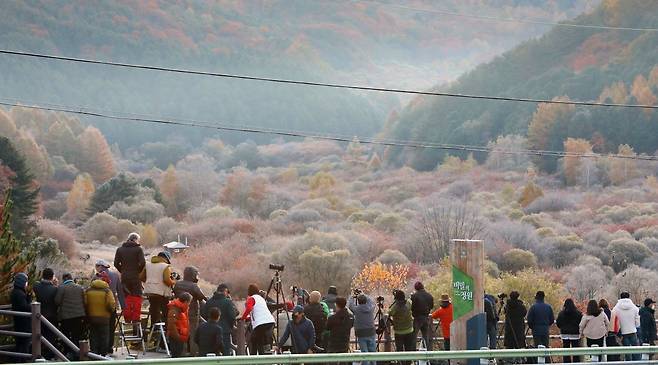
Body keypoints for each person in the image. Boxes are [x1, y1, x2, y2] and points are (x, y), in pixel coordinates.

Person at [173, 266, 207, 355]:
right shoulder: (194, 286)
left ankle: (182, 353)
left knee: (182, 333)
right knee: (193, 335)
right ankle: (193, 353)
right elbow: (201, 297)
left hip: (179, 312)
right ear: (193, 275)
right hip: (192, 313)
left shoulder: (177, 284)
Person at [113, 232, 146, 324]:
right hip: (135, 277)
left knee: (126, 296)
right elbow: (143, 263)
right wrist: (138, 271)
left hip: (125, 277)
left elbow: (116, 263)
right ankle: (135, 318)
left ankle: (127, 318)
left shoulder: (120, 249)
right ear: (135, 240)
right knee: (137, 296)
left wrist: (122, 271)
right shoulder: (138, 249)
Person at [201, 283, 240, 356]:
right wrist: (231, 326)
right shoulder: (228, 302)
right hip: (225, 330)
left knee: (212, 353)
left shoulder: (209, 302)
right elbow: (232, 316)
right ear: (225, 291)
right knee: (226, 352)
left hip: (210, 331)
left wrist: (210, 323)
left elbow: (204, 314)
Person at [94, 259, 123, 354]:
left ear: (100, 266)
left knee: (100, 328)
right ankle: (109, 347)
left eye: (96, 266)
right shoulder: (115, 275)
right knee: (111, 327)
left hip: (99, 305)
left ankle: (100, 348)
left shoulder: (96, 277)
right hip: (112, 304)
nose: (96, 268)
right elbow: (120, 290)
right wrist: (123, 305)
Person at [55, 272, 86, 360]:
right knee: (76, 335)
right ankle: (77, 353)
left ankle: (68, 353)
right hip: (79, 316)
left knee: (66, 336)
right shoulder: (80, 288)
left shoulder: (61, 288)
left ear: (64, 279)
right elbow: (84, 301)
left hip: (66, 317)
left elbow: (57, 301)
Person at [85, 274, 116, 356]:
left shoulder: (88, 291)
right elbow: (111, 304)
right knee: (104, 336)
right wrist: (110, 311)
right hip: (104, 318)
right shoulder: (107, 291)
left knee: (93, 336)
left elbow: (85, 303)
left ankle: (94, 353)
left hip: (92, 318)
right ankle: (103, 354)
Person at [141, 251, 175, 328]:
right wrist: (173, 282)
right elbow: (167, 280)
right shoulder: (166, 266)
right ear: (166, 258)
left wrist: (149, 282)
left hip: (150, 292)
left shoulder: (148, 265)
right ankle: (165, 331)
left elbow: (141, 277)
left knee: (154, 311)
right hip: (162, 293)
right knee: (165, 312)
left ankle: (154, 330)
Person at [241, 284, 275, 355]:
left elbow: (249, 308)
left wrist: (243, 318)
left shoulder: (251, 298)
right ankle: (266, 354)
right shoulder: (261, 299)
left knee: (254, 340)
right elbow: (258, 312)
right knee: (263, 341)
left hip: (260, 324)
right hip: (270, 322)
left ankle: (255, 357)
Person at [33, 268, 59, 359]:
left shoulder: (36, 286)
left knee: (39, 336)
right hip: (52, 316)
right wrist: (55, 284)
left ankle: (39, 354)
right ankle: (49, 356)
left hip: (38, 316)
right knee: (51, 337)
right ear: (52, 277)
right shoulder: (55, 289)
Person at [612, 292, 641, 361]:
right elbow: (638, 322)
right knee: (636, 351)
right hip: (632, 331)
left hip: (622, 332)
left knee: (627, 351)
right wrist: (635, 326)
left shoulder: (616, 308)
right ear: (629, 297)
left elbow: (613, 319)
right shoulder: (634, 308)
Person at [348, 294, 376, 365]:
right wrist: (364, 294)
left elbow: (350, 305)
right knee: (373, 352)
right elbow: (372, 302)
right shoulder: (371, 308)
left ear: (358, 301)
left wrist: (351, 297)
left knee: (364, 353)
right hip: (371, 332)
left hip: (361, 333)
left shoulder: (356, 309)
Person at [389, 290, 415, 365]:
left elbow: (389, 312)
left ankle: (401, 363)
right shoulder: (408, 303)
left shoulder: (395, 307)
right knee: (408, 349)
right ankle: (408, 363)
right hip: (409, 330)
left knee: (400, 350)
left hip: (399, 332)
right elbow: (410, 300)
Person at [10, 273, 31, 359]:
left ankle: (19, 360)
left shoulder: (15, 292)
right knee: (24, 343)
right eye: (26, 282)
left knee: (20, 343)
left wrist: (27, 297)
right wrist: (30, 303)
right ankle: (23, 360)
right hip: (23, 323)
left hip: (18, 321)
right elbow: (24, 307)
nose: (27, 284)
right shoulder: (20, 293)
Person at [556, 298, 582, 363]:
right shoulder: (578, 313)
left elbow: (558, 323)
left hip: (565, 334)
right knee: (576, 352)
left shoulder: (561, 314)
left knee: (566, 352)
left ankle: (567, 363)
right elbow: (581, 323)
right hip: (575, 334)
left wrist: (563, 327)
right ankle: (576, 363)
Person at [167, 292, 192, 358]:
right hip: (177, 337)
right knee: (176, 356)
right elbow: (171, 325)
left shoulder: (182, 309)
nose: (189, 304)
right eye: (189, 302)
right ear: (186, 302)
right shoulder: (174, 310)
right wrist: (179, 337)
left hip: (181, 336)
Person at [411, 281, 434, 351]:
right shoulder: (429, 296)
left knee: (414, 336)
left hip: (417, 318)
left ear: (416, 288)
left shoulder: (415, 296)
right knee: (426, 336)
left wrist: (414, 313)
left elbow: (412, 307)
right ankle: (428, 352)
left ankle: (413, 353)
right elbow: (431, 306)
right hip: (426, 317)